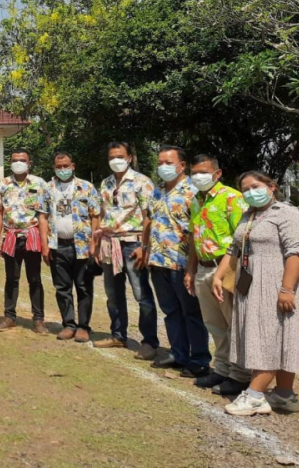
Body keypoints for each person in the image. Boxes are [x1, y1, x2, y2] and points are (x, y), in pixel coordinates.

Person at [214, 171, 299, 416]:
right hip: (251, 284)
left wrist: (287, 289)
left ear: (271, 187)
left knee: (269, 337)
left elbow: (296, 253)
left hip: (275, 283)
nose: (249, 192)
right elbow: (234, 248)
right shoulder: (250, 215)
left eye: (254, 186)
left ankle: (255, 396)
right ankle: (284, 395)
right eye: (244, 189)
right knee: (276, 336)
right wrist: (219, 275)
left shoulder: (288, 214)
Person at [184, 154, 251, 397]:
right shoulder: (195, 200)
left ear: (217, 173)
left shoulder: (232, 198)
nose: (198, 177)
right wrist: (191, 269)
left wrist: (224, 273)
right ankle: (222, 368)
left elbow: (241, 239)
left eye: (203, 172)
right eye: (195, 173)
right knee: (214, 323)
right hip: (203, 267)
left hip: (226, 267)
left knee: (234, 322)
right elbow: (194, 236)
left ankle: (241, 374)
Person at [147, 146, 211, 378]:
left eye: (168, 162)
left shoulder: (194, 191)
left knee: (191, 312)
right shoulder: (157, 192)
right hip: (158, 261)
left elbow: (198, 231)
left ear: (182, 166)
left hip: (182, 263)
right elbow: (150, 222)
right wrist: (146, 251)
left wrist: (192, 268)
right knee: (171, 311)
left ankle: (200, 358)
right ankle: (178, 353)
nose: (163, 167)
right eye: (160, 162)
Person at [94, 142, 159, 358]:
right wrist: (97, 243)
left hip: (133, 242)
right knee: (113, 293)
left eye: (120, 156)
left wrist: (144, 246)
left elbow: (149, 216)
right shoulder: (106, 183)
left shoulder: (142, 182)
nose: (116, 160)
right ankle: (118, 335)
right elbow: (102, 214)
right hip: (110, 242)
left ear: (129, 157)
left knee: (142, 295)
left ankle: (149, 342)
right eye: (112, 156)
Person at [44, 151, 101, 343]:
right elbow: (42, 216)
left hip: (83, 247)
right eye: (59, 167)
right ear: (54, 168)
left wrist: (94, 243)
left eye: (66, 166)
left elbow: (95, 216)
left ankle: (84, 326)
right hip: (58, 246)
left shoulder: (86, 187)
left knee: (83, 287)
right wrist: (45, 244)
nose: (62, 170)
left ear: (73, 166)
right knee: (62, 288)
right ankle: (68, 324)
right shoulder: (49, 188)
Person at [0, 149, 49, 334]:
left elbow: (44, 214)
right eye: (15, 160)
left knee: (35, 279)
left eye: (22, 160)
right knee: (11, 278)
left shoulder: (40, 183)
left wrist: (44, 240)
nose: (19, 163)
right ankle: (9, 317)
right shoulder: (3, 184)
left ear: (29, 163)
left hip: (32, 236)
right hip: (11, 236)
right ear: (10, 162)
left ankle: (39, 320)